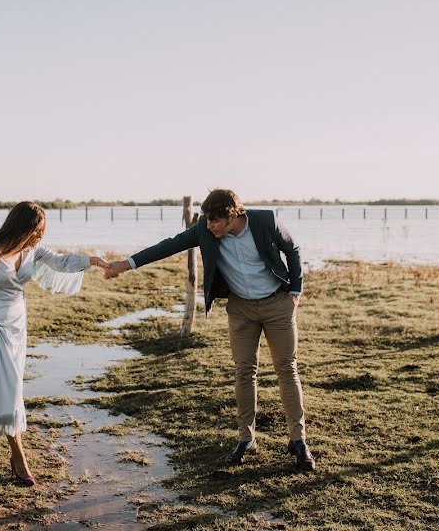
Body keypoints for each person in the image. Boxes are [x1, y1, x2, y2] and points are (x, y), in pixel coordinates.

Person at [105, 189, 315, 471]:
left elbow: (293, 249)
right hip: (241, 309)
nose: (208, 226)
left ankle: (298, 440)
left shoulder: (265, 221)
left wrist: (296, 290)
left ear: (233, 216)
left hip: (277, 303)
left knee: (286, 369)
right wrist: (125, 265)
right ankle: (246, 439)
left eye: (214, 221)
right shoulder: (204, 230)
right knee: (244, 370)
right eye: (206, 220)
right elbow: (166, 246)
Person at [0, 201, 109, 486]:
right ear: (21, 227)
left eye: (42, 232)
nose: (40, 237)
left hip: (17, 327)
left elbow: (61, 261)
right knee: (5, 390)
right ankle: (18, 458)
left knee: (0, 389)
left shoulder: (32, 250)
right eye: (36, 231)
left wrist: (94, 261)